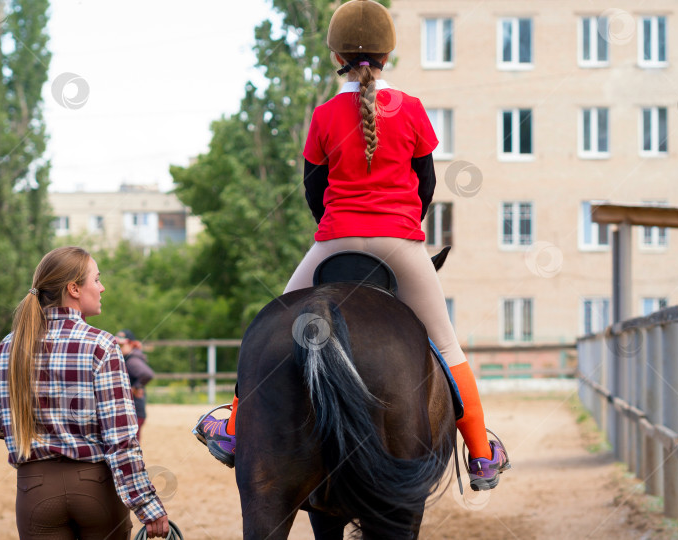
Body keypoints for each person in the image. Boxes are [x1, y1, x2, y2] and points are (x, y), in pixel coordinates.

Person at [195, 0, 510, 491]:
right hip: (400, 244)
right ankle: (482, 454)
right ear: (388, 53)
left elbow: (311, 187)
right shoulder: (411, 108)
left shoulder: (324, 114)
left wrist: (335, 228)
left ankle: (233, 430)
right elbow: (426, 182)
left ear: (335, 53)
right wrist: (404, 222)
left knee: (266, 328)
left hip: (334, 239)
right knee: (447, 345)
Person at [0, 246, 170, 539]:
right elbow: (120, 440)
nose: (102, 287)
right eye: (96, 280)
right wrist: (148, 505)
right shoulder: (102, 346)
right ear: (73, 288)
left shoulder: (10, 345)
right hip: (95, 487)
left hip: (34, 488)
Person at [116, 329, 154, 443]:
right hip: (135, 411)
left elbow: (147, 374)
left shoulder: (131, 360)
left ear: (131, 344)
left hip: (134, 411)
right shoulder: (130, 357)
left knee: (131, 445)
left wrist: (135, 388)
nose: (118, 347)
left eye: (122, 344)